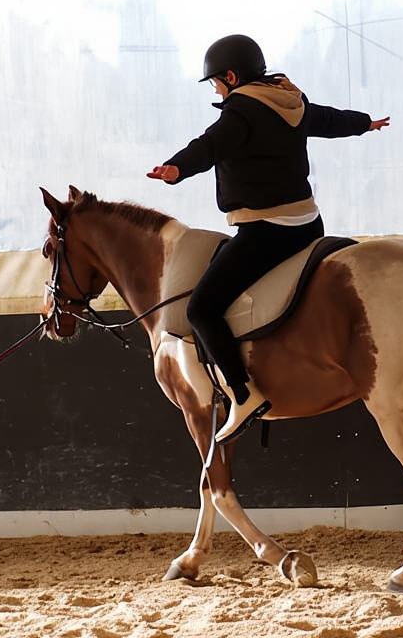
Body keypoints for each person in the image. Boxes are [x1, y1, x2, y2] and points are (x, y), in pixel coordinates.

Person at [147, 34, 389, 443]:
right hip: (309, 226)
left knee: (202, 309)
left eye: (216, 83)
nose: (217, 91)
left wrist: (176, 168)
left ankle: (242, 395)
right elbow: (327, 120)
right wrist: (364, 122)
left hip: (266, 232)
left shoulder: (241, 111)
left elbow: (209, 146)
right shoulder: (289, 99)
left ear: (230, 75)